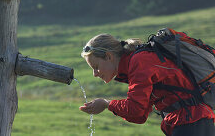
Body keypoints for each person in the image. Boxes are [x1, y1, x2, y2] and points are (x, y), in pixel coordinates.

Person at [79, 33, 215, 136]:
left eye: (96, 66)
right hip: (191, 121)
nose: (95, 74)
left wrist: (106, 104)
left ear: (108, 56)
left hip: (190, 122)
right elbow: (140, 115)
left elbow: (135, 109)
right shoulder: (135, 63)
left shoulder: (139, 61)